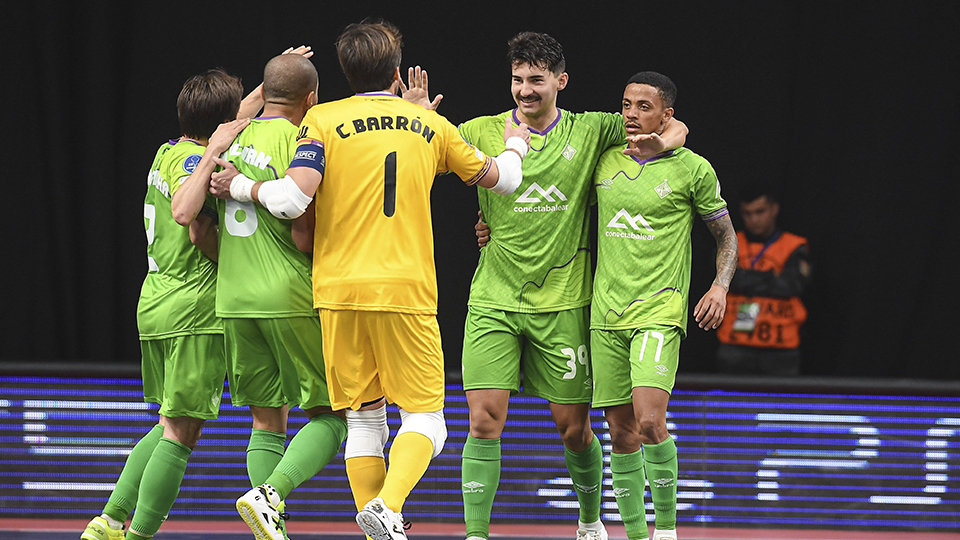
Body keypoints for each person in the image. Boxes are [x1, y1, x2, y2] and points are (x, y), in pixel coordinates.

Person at [207, 20, 532, 540]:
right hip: (404, 291)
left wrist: (241, 184)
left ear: (344, 73)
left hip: (336, 292)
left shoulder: (321, 119)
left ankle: (331, 512)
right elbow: (506, 180)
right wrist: (515, 142)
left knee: (363, 422)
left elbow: (292, 199)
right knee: (428, 422)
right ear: (398, 72)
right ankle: (389, 502)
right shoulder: (431, 125)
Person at [457, 32, 688, 540]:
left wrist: (664, 140)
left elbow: (673, 125)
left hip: (563, 305)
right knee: (482, 421)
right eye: (517, 80)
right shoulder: (478, 129)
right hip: (494, 298)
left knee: (574, 429)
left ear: (560, 81)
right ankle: (476, 535)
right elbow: (423, 155)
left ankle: (589, 521)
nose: (524, 90)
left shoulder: (592, 131)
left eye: (536, 80)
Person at [170, 53, 348, 540]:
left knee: (267, 421)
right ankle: (273, 494)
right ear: (311, 99)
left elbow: (194, 230)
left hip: (233, 297)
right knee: (334, 417)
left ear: (264, 94)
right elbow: (305, 234)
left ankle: (269, 529)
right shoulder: (303, 139)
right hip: (288, 294)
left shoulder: (229, 137)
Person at [80, 69, 249, 540]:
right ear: (221, 126)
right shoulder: (200, 162)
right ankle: (138, 535)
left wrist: (265, 89)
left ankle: (108, 522)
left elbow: (229, 119)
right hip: (194, 307)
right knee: (181, 434)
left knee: (166, 423)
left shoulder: (167, 150)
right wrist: (236, 264)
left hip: (155, 301)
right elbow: (188, 218)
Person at [590, 71, 737, 540]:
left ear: (666, 114)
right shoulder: (604, 158)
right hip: (604, 315)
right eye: (626, 105)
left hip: (659, 310)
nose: (632, 114)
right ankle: (636, 535)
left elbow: (726, 237)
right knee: (620, 433)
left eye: (644, 107)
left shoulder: (693, 168)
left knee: (651, 422)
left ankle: (668, 531)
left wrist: (719, 286)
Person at [715, 185, 810, 376]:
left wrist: (746, 278)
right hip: (735, 345)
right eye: (747, 213)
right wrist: (771, 277)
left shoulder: (794, 245)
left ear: (774, 209)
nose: (754, 219)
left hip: (781, 348)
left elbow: (792, 285)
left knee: (779, 405)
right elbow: (730, 281)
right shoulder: (731, 242)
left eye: (760, 212)